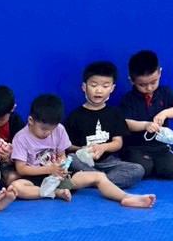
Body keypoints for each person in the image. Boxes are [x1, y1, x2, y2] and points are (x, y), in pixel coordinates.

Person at [10, 94, 155, 208]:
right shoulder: (21, 138)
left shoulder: (59, 129)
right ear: (30, 120)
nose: (48, 133)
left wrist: (62, 167)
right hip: (36, 179)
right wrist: (49, 169)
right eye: (43, 129)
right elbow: (21, 169)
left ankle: (126, 197)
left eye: (51, 129)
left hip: (58, 178)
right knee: (17, 187)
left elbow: (61, 155)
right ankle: (55, 193)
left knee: (98, 176)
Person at [63, 61, 146, 190]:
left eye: (105, 86)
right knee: (71, 159)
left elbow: (118, 143)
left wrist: (103, 147)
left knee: (138, 169)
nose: (99, 90)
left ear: (112, 88)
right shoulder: (75, 115)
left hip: (108, 162)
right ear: (84, 87)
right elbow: (67, 146)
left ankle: (96, 180)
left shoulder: (114, 113)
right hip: (83, 162)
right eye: (94, 85)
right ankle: (101, 180)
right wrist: (81, 149)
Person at [118, 50, 173, 180]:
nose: (149, 88)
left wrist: (165, 113)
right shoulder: (128, 99)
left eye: (153, 82)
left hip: (159, 146)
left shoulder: (165, 92)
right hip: (136, 147)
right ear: (131, 80)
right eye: (142, 85)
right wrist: (145, 125)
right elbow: (125, 123)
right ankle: (147, 163)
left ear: (160, 72)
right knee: (143, 169)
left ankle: (156, 163)